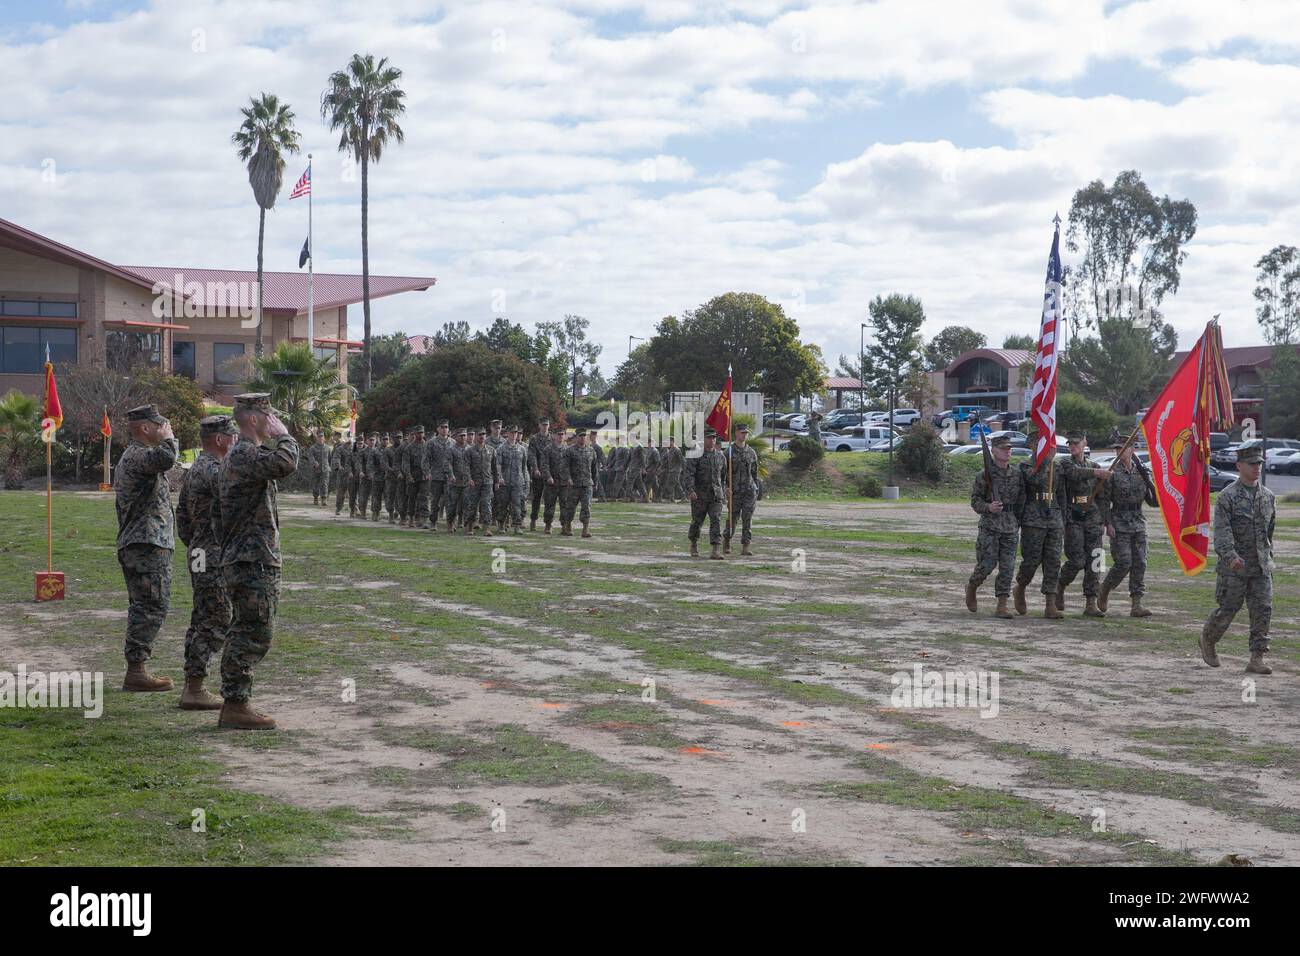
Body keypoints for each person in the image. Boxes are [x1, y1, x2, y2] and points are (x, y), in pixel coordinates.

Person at [216, 393, 299, 730]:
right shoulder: (245, 453)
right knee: (253, 630)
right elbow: (286, 464)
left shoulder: (243, 454)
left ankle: (235, 702)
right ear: (253, 420)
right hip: (251, 557)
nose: (273, 420)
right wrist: (284, 435)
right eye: (269, 415)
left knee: (248, 627)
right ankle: (235, 704)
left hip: (246, 555)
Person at [114, 404, 180, 691]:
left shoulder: (138, 455)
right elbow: (167, 458)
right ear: (145, 428)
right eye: (159, 425)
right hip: (145, 542)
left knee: (146, 604)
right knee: (151, 605)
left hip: (146, 541)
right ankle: (136, 669)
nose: (163, 429)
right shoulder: (140, 455)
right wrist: (170, 439)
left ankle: (137, 667)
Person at [175, 414, 238, 708]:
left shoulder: (197, 467)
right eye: (232, 435)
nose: (235, 440)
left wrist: (196, 544)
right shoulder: (213, 469)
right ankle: (195, 686)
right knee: (215, 616)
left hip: (201, 551)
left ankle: (194, 682)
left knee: (204, 614)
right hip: (209, 553)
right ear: (219, 439)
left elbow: (182, 518)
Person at [1200, 445, 1276, 674]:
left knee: (1263, 609)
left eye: (1259, 463)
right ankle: (1209, 639)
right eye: (1252, 464)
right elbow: (1222, 532)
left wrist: (1268, 557)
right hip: (1235, 567)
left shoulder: (1268, 497)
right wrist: (1231, 556)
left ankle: (1257, 657)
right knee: (1228, 608)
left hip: (1261, 566)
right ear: (1239, 466)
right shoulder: (1227, 497)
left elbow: (1269, 531)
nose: (1257, 468)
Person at [964, 434, 1026, 619]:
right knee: (986, 564)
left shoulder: (1016, 474)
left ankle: (1002, 604)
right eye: (1003, 448)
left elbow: (1021, 500)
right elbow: (975, 501)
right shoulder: (984, 475)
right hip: (990, 526)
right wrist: (988, 507)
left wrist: (1017, 521)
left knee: (1007, 567)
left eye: (1009, 448)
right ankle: (972, 585)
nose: (1008, 451)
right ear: (993, 451)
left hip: (1009, 525)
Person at [1099, 430, 1158, 617]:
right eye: (1116, 448)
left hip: (1138, 521)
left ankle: (1136, 603)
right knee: (1124, 562)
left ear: (1131, 449)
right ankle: (1105, 589)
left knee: (1140, 562)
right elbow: (1104, 501)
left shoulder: (1142, 471)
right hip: (1119, 521)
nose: (1118, 451)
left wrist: (1156, 491)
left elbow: (1152, 502)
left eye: (1122, 448)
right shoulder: (1112, 473)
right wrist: (1107, 523)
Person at [1055, 430, 1112, 617]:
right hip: (1074, 517)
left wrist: (1105, 519)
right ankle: (1060, 585)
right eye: (1070, 443)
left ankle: (1090, 602)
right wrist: (1096, 472)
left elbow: (1103, 497)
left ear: (1084, 443)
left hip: (1093, 518)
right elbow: (1073, 474)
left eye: (1076, 443)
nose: (1073, 446)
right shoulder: (1064, 464)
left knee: (1096, 560)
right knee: (1077, 560)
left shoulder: (1093, 465)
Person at [1013, 454, 1067, 620]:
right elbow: (1034, 480)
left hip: (1054, 519)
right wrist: (1044, 463)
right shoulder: (1025, 465)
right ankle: (1020, 586)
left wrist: (1063, 519)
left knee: (1053, 561)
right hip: (1033, 519)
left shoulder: (1057, 466)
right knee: (1031, 560)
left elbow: (1061, 494)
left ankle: (1050, 604)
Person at [684, 427, 726, 559]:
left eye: (714, 438)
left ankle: (716, 549)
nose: (712, 440)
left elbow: (723, 476)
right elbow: (689, 474)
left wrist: (724, 490)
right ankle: (694, 544)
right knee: (697, 521)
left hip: (716, 495)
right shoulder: (695, 454)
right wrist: (690, 490)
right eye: (709, 438)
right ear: (703, 439)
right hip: (699, 495)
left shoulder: (720, 456)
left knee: (716, 520)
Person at [723, 423, 759, 556]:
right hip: (735, 492)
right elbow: (722, 473)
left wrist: (756, 489)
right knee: (732, 518)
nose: (744, 435)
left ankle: (746, 545)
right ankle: (727, 540)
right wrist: (726, 487)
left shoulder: (751, 452)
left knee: (747, 519)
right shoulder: (729, 452)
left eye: (746, 433)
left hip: (749, 491)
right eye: (742, 432)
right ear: (736, 433)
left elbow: (755, 473)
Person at [563, 427, 598, 537]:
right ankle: (568, 525)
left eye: (584, 436)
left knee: (586, 506)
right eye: (580, 436)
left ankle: (585, 529)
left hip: (587, 483)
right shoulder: (570, 450)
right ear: (576, 437)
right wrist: (568, 478)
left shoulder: (591, 450)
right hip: (574, 484)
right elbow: (565, 467)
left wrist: (595, 482)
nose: (582, 438)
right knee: (570, 507)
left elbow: (594, 468)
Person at [497, 425, 530, 534]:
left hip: (517, 482)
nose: (514, 435)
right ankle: (501, 524)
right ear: (508, 434)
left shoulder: (522, 449)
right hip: (505, 482)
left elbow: (524, 466)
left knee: (517, 505)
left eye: (516, 433)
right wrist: (499, 477)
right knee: (503, 504)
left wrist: (526, 479)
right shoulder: (501, 448)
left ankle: (517, 526)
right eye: (512, 433)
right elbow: (498, 465)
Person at [424, 420, 455, 531]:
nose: (444, 429)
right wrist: (427, 473)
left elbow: (455, 460)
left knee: (450, 501)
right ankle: (433, 522)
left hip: (449, 477)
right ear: (437, 429)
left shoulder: (453, 442)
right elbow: (426, 460)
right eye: (442, 427)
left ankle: (450, 523)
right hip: (436, 476)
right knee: (435, 501)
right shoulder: (431, 442)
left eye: (446, 427)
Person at [542, 425, 568, 533]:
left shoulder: (567, 449)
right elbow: (544, 465)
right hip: (551, 482)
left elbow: (570, 465)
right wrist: (548, 476)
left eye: (562, 434)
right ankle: (548, 525)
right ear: (553, 436)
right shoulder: (548, 449)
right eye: (558, 434)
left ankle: (564, 525)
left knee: (565, 505)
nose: (560, 436)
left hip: (564, 482)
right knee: (549, 504)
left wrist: (569, 478)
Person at [527, 418, 551, 531]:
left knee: (549, 499)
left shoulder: (552, 438)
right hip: (538, 473)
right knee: (536, 498)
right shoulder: (534, 439)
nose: (545, 427)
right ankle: (533, 520)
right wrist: (535, 469)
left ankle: (548, 523)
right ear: (539, 426)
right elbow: (532, 455)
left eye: (546, 425)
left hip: (550, 474)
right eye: (543, 425)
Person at [403, 425, 427, 527]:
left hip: (424, 476)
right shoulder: (409, 447)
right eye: (418, 433)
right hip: (413, 476)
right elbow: (406, 463)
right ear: (414, 434)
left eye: (422, 433)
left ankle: (422, 518)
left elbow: (430, 461)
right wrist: (408, 476)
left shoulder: (427, 446)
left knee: (423, 497)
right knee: (412, 498)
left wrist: (429, 473)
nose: (420, 435)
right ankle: (411, 518)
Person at [446, 427, 469, 532]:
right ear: (455, 437)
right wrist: (451, 475)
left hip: (467, 482)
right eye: (461, 435)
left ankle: (468, 526)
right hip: (454, 482)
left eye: (465, 435)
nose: (463, 437)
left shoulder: (470, 449)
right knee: (452, 505)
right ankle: (450, 524)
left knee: (468, 505)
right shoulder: (451, 449)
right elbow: (448, 463)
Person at [385, 430, 405, 524]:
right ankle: (391, 514)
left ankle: (402, 514)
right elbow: (384, 463)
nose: (399, 439)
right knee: (391, 496)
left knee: (402, 497)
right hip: (391, 477)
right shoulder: (388, 450)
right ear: (392, 439)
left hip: (402, 477)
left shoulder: (405, 449)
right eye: (397, 437)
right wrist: (392, 470)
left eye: (400, 437)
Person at [332, 434, 353, 516]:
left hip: (352, 474)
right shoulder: (340, 448)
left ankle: (354, 509)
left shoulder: (356, 448)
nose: (349, 439)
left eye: (351, 437)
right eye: (348, 437)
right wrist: (338, 465)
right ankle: (338, 508)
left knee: (353, 493)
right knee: (341, 493)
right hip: (342, 474)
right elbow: (336, 458)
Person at [307, 430, 329, 505]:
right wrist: (314, 462)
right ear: (317, 438)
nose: (320, 438)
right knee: (315, 484)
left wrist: (329, 467)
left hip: (325, 469)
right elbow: (310, 457)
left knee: (324, 484)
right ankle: (315, 498)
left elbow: (330, 458)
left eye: (322, 436)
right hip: (316, 469)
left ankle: (324, 499)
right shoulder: (312, 448)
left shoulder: (327, 448)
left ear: (324, 438)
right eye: (319, 437)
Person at [660, 436, 684, 503]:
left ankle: (676, 498)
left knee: (671, 484)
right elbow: (667, 462)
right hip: (671, 470)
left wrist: (683, 469)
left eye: (668, 441)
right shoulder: (670, 450)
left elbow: (681, 460)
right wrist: (661, 468)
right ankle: (674, 498)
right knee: (676, 484)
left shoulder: (677, 450)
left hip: (676, 470)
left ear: (672, 441)